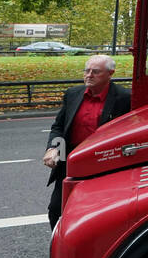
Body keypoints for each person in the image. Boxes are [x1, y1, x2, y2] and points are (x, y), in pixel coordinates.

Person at [43, 55, 132, 228]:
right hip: (72, 161)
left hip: (104, 161)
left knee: (99, 213)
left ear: (110, 73)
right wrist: (54, 148)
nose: (89, 75)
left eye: (96, 72)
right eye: (87, 70)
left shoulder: (124, 98)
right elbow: (59, 126)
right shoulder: (73, 94)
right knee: (56, 209)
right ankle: (61, 250)